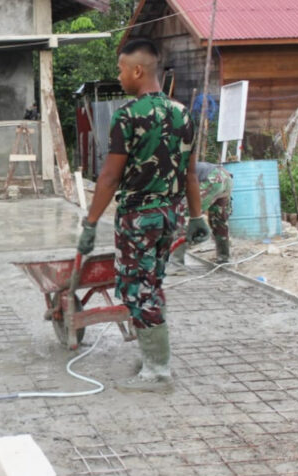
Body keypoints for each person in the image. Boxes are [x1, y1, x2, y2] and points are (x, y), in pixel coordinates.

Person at [76, 39, 210, 392]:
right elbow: (191, 174)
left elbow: (109, 177)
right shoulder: (184, 114)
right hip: (169, 215)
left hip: (138, 218)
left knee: (137, 289)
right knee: (153, 283)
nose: (118, 76)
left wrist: (90, 223)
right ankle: (153, 358)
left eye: (121, 69)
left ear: (138, 70)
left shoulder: (128, 115)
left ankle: (157, 372)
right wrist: (196, 217)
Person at [170, 162, 233, 265]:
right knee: (219, 220)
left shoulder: (170, 175)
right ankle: (223, 258)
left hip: (212, 179)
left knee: (184, 214)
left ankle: (176, 263)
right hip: (226, 178)